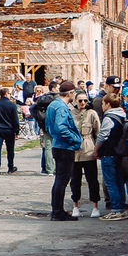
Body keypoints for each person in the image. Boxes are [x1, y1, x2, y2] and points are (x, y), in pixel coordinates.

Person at [46, 82, 84, 221]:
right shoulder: (62, 108)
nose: (74, 96)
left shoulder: (53, 105)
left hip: (58, 145)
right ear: (70, 93)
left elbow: (50, 127)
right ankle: (58, 212)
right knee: (62, 180)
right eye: (74, 93)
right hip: (64, 147)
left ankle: (56, 210)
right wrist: (74, 139)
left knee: (59, 180)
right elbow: (61, 128)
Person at [98, 89, 128, 218]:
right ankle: (121, 207)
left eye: (103, 103)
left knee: (110, 182)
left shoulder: (109, 117)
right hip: (119, 152)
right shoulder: (122, 115)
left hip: (108, 152)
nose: (102, 106)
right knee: (118, 181)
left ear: (108, 104)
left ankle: (116, 209)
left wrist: (97, 150)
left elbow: (102, 136)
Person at [73, 94, 104, 218]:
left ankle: (95, 206)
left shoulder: (92, 113)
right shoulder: (71, 113)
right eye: (80, 100)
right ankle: (75, 205)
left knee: (92, 180)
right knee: (75, 180)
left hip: (88, 149)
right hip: (75, 152)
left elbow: (98, 132)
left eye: (85, 100)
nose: (82, 103)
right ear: (76, 101)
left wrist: (97, 149)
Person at [0, 86, 20, 174]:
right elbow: (15, 120)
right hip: (9, 129)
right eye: (9, 93)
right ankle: (10, 166)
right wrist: (17, 131)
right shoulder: (12, 105)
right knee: (10, 149)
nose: (10, 95)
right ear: (6, 94)